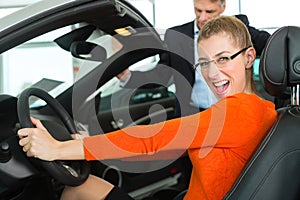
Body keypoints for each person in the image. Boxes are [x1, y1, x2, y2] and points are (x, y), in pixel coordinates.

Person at [18, 16, 277, 200]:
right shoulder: (266, 109)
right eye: (204, 63)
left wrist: (58, 148)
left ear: (249, 57)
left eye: (223, 59)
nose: (212, 73)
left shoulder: (235, 112)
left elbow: (152, 139)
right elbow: (165, 146)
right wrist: (90, 143)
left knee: (78, 190)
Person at [117, 0, 270, 118]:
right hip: (192, 114)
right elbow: (163, 74)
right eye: (198, 10)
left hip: (235, 112)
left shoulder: (238, 29)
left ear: (222, 8)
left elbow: (273, 46)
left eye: (209, 11)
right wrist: (128, 77)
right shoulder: (175, 36)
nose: (203, 17)